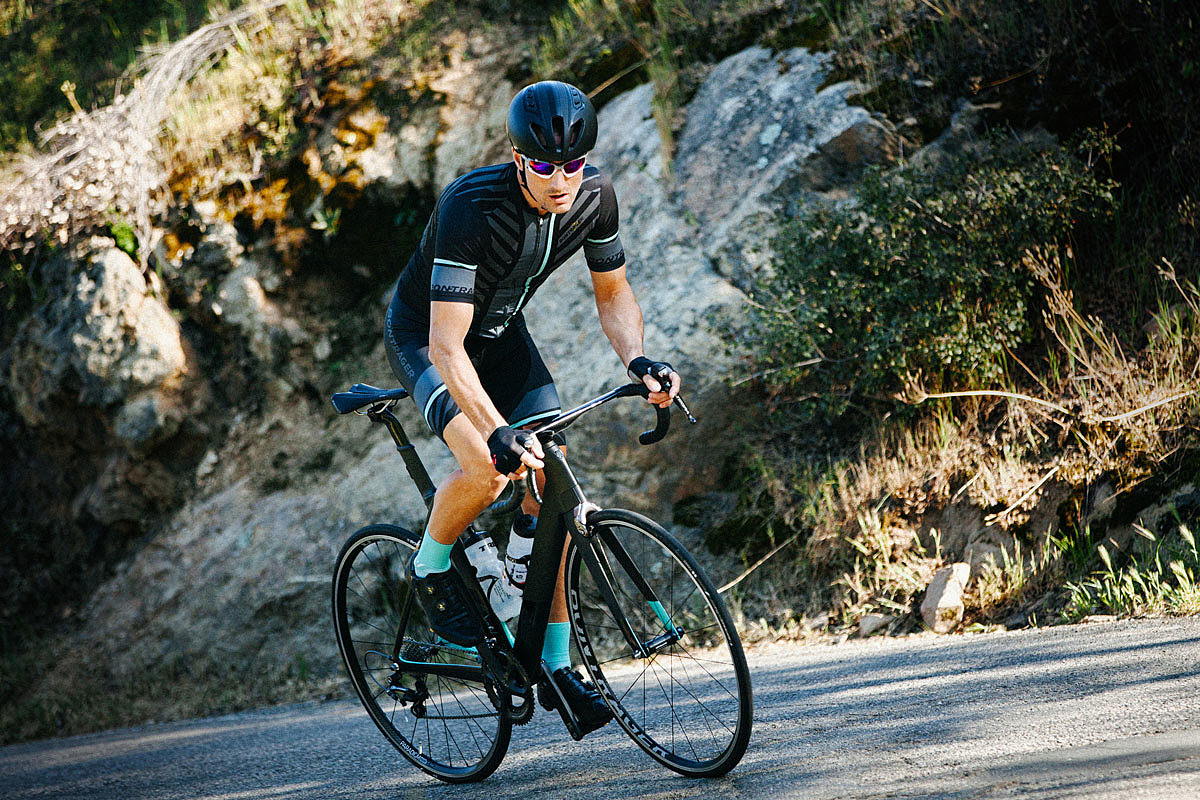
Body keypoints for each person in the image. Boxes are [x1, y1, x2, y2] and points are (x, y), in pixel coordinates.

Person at [384, 80, 680, 737]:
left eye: (572, 165)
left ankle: (556, 664)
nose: (560, 180)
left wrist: (639, 361)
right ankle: (430, 565)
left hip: (499, 338)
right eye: (544, 166)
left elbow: (614, 294)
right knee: (491, 468)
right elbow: (446, 345)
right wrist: (495, 432)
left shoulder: (595, 196)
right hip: (429, 339)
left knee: (556, 482)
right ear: (519, 159)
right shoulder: (472, 205)